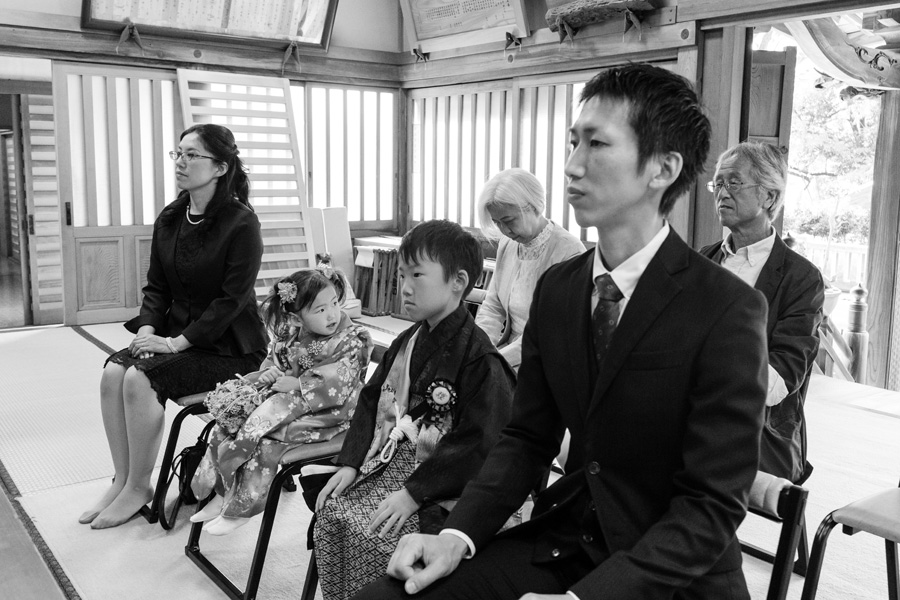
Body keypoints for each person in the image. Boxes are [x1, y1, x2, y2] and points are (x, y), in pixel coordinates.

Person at [358, 63, 770, 599]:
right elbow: (528, 438)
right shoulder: (561, 288)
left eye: (597, 144)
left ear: (663, 168)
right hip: (566, 542)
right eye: (573, 143)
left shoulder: (727, 308)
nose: (572, 165)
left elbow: (711, 504)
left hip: (670, 573)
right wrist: (458, 535)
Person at [313, 220, 516, 600]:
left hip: (443, 477)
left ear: (458, 281)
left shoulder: (482, 360)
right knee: (332, 510)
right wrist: (350, 462)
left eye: (417, 275)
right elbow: (372, 399)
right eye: (402, 274)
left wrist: (413, 494)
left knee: (377, 536)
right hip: (393, 456)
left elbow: (479, 443)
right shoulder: (409, 339)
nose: (404, 287)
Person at [80, 124, 268, 529]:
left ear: (220, 167)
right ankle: (122, 481)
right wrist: (148, 329)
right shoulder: (170, 217)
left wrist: (177, 343)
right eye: (178, 153)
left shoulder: (241, 223)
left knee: (139, 379)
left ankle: (139, 487)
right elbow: (157, 287)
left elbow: (231, 302)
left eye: (192, 155)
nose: (180, 162)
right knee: (113, 371)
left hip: (231, 348)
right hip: (175, 338)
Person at [189, 266, 373, 535]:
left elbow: (341, 379)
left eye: (334, 303)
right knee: (232, 424)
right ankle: (221, 495)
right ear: (296, 319)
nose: (332, 314)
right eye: (320, 310)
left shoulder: (353, 339)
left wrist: (298, 384)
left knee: (265, 440)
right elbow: (274, 361)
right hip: (289, 402)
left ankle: (241, 508)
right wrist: (270, 372)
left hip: (331, 413)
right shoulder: (292, 334)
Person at [700, 141, 825, 484]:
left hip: (758, 434)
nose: (722, 192)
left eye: (734, 182)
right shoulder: (702, 261)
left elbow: (781, 378)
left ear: (769, 197)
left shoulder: (801, 278)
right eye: (717, 183)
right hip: (692, 420)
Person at [475, 168, 585, 369]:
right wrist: (478, 349)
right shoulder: (507, 245)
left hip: (546, 360)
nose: (505, 231)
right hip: (508, 352)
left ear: (535, 207)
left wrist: (495, 362)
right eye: (497, 223)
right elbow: (493, 306)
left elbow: (550, 331)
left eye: (509, 221)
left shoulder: (568, 252)